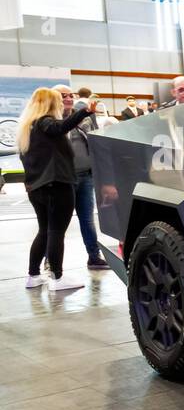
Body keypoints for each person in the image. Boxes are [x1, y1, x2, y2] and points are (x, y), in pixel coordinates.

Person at [16, 88, 92, 292]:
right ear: (50, 104)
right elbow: (61, 127)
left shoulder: (28, 128)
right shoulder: (46, 122)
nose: (62, 103)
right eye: (58, 100)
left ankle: (33, 275)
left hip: (36, 188)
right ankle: (57, 278)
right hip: (56, 185)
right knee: (57, 231)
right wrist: (84, 111)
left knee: (44, 231)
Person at [53, 85, 110, 271]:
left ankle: (94, 257)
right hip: (63, 179)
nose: (68, 98)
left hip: (86, 176)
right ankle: (50, 262)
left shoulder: (84, 114)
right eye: (63, 96)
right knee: (58, 223)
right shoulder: (49, 120)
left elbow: (95, 139)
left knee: (87, 219)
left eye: (71, 95)